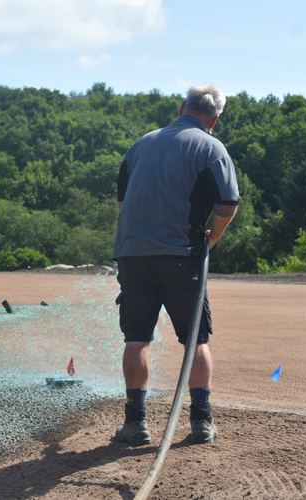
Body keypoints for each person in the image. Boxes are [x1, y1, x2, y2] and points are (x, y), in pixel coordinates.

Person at [112, 83, 240, 445]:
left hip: (132, 255)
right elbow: (227, 204)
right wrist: (210, 239)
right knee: (195, 339)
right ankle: (201, 421)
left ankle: (135, 423)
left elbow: (123, 205)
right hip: (182, 255)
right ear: (214, 118)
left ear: (182, 106)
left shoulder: (142, 143)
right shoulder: (211, 147)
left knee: (136, 338)